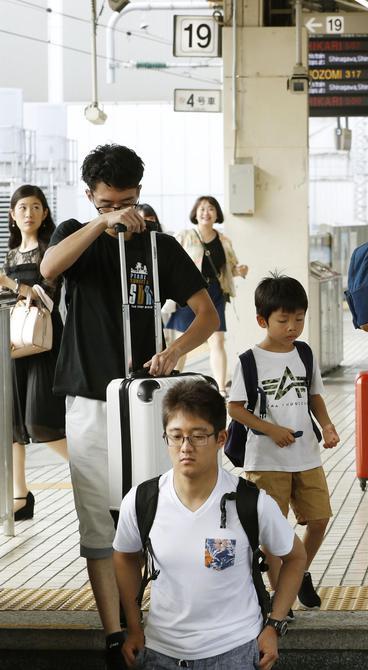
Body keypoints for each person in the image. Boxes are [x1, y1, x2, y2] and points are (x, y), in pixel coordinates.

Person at [40, 144, 217, 669]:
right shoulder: (76, 234)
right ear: (90, 198)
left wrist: (175, 352)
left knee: (155, 511)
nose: (120, 211)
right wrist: (102, 224)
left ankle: (155, 620)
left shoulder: (159, 246)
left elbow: (206, 314)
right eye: (107, 203)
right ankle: (115, 632)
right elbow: (49, 266)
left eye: (127, 201)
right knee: (97, 519)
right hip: (90, 400)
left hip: (145, 403)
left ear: (140, 193)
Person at [113, 380, 305, 670]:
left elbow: (295, 557)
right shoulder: (142, 500)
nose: (185, 447)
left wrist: (274, 625)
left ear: (220, 438)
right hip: (160, 654)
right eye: (176, 436)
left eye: (198, 436)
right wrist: (133, 626)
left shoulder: (251, 502)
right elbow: (124, 557)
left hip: (234, 653)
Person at [227, 274, 340, 613]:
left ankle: (297, 573)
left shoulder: (304, 353)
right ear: (262, 320)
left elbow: (314, 395)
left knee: (319, 519)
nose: (293, 327)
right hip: (265, 460)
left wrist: (328, 425)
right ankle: (281, 596)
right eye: (284, 320)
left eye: (299, 319)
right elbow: (235, 408)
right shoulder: (249, 361)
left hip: (306, 456)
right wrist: (270, 429)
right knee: (272, 531)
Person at [1, 185, 68, 521]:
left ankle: (92, 473)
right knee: (11, 423)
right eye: (22, 207)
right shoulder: (11, 255)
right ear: (12, 215)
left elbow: (46, 298)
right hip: (15, 345)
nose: (29, 213)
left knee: (40, 423)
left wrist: (9, 283)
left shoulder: (49, 251)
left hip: (42, 345)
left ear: (45, 213)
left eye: (35, 207)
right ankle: (21, 495)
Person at [165, 195, 248, 394]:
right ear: (195, 213)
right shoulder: (185, 236)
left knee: (217, 340)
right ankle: (172, 385)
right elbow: (171, 263)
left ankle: (221, 388)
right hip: (189, 292)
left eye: (211, 208)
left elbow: (230, 269)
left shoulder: (224, 241)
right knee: (183, 341)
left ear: (217, 214)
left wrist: (240, 271)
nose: (206, 213)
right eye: (202, 209)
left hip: (215, 292)